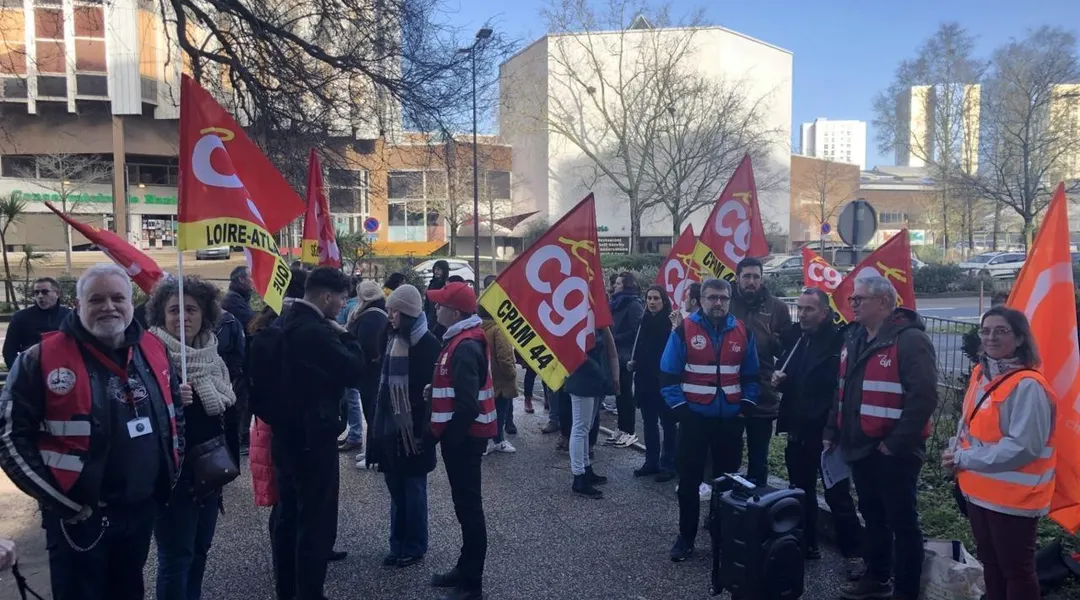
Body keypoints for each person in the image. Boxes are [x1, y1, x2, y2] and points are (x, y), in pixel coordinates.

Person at [0, 263, 186, 600]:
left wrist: (168, 476)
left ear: (132, 304)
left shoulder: (154, 350)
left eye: (118, 298)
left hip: (139, 510)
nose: (109, 307)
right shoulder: (39, 358)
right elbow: (10, 440)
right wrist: (63, 505)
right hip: (79, 516)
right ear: (78, 305)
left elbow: (174, 415)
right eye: (96, 299)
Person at [825, 275, 938, 600]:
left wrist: (895, 444)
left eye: (860, 299)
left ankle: (905, 590)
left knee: (903, 524)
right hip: (860, 447)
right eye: (853, 299)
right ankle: (877, 576)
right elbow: (842, 390)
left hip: (894, 453)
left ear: (885, 303)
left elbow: (924, 397)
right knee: (873, 517)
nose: (853, 304)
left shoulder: (910, 340)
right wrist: (832, 431)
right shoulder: (855, 338)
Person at [942, 307, 1055, 600]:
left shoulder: (1027, 385)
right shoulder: (982, 373)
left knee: (1016, 570)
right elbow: (969, 421)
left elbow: (1024, 447)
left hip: (1013, 500)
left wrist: (964, 459)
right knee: (990, 563)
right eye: (986, 330)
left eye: (1001, 331)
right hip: (978, 490)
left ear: (1019, 339)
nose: (991, 337)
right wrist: (954, 448)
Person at [270, 267, 365, 600]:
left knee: (288, 516)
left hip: (284, 435)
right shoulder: (317, 331)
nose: (343, 304)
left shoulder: (282, 321)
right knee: (315, 520)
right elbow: (355, 369)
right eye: (341, 298)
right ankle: (309, 592)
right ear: (326, 297)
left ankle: (287, 589)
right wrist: (346, 334)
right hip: (314, 437)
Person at [146, 276, 238, 600]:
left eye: (190, 309)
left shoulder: (212, 356)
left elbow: (226, 411)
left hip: (209, 474)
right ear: (161, 315)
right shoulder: (149, 358)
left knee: (200, 551)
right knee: (176, 558)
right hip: (173, 481)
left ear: (205, 315)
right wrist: (168, 399)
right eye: (173, 310)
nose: (182, 317)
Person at [661, 278, 759, 563]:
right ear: (701, 299)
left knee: (727, 483)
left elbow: (751, 376)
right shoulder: (684, 330)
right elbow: (668, 376)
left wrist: (745, 407)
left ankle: (722, 534)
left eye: (723, 298)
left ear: (730, 300)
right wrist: (683, 412)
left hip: (729, 420)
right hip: (694, 421)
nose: (718, 303)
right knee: (689, 483)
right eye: (713, 297)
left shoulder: (742, 331)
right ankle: (686, 537)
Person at [773, 288, 862, 573]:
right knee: (801, 491)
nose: (803, 315)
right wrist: (781, 381)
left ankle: (854, 555)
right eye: (800, 309)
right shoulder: (799, 340)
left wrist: (832, 430)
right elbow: (796, 381)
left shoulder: (839, 344)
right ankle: (807, 543)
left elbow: (838, 390)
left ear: (825, 312)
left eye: (809, 309)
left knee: (837, 495)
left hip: (826, 433)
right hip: (798, 429)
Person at [425, 281, 497, 600]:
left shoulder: (465, 344)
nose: (435, 308)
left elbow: (468, 404)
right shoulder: (460, 339)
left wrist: (451, 438)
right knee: (464, 507)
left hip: (464, 440)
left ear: (455, 313)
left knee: (469, 509)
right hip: (463, 437)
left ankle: (472, 583)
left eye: (440, 305)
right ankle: (464, 568)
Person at [366, 284, 441, 568]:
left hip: (414, 433)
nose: (389, 315)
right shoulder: (391, 338)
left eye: (394, 310)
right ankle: (396, 544)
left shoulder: (429, 344)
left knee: (413, 491)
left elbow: (432, 394)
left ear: (407, 312)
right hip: (390, 431)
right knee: (397, 491)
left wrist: (425, 432)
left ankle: (414, 545)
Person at [729, 257, 791, 485]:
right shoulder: (726, 303)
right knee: (727, 458)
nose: (751, 281)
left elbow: (788, 350)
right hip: (730, 391)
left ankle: (755, 511)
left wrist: (776, 343)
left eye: (756, 276)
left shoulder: (777, 308)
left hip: (763, 393)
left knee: (758, 459)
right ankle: (723, 510)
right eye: (746, 276)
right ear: (737, 278)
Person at [565, 326, 619, 499]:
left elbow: (612, 352)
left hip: (595, 379)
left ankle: (585, 469)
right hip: (583, 378)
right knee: (581, 427)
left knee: (586, 426)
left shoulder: (598, 323)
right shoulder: (578, 321)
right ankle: (579, 476)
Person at [630, 285, 677, 481]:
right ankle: (651, 461)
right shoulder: (643, 321)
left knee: (668, 424)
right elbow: (639, 346)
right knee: (649, 423)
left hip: (664, 381)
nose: (652, 302)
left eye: (656, 298)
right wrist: (633, 362)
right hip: (644, 380)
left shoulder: (671, 323)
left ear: (663, 301)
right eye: (649, 298)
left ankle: (669, 464)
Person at [348, 281, 390, 467]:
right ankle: (372, 451)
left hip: (371, 373)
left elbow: (367, 346)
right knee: (371, 412)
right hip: (371, 372)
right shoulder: (375, 311)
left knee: (372, 413)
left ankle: (375, 456)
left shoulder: (372, 316)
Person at [605, 272, 644, 448]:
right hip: (615, 352)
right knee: (619, 392)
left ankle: (630, 431)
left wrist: (616, 338)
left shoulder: (634, 303)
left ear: (627, 285)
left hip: (625, 354)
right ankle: (621, 428)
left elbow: (638, 331)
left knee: (626, 393)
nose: (615, 286)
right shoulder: (615, 302)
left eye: (619, 284)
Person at [3, 277, 71, 368]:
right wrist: (18, 372)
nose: (40, 296)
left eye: (45, 292)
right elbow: (9, 350)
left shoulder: (70, 317)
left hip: (64, 372)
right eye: (36, 292)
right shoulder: (21, 317)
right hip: (31, 371)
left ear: (57, 293)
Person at [480, 305, 518, 454]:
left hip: (487, 379)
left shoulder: (480, 328)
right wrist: (512, 374)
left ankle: (488, 440)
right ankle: (498, 441)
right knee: (500, 413)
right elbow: (505, 357)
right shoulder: (499, 329)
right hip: (501, 381)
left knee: (488, 412)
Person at [222, 266, 255, 330]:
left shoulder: (239, 297)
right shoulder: (233, 300)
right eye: (251, 277)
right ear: (241, 279)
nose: (254, 280)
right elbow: (251, 324)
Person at [425, 259, 451, 336]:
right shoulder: (432, 283)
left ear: (444, 271)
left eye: (439, 269)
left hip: (441, 319)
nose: (436, 272)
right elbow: (427, 301)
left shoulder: (446, 285)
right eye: (435, 269)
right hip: (430, 317)